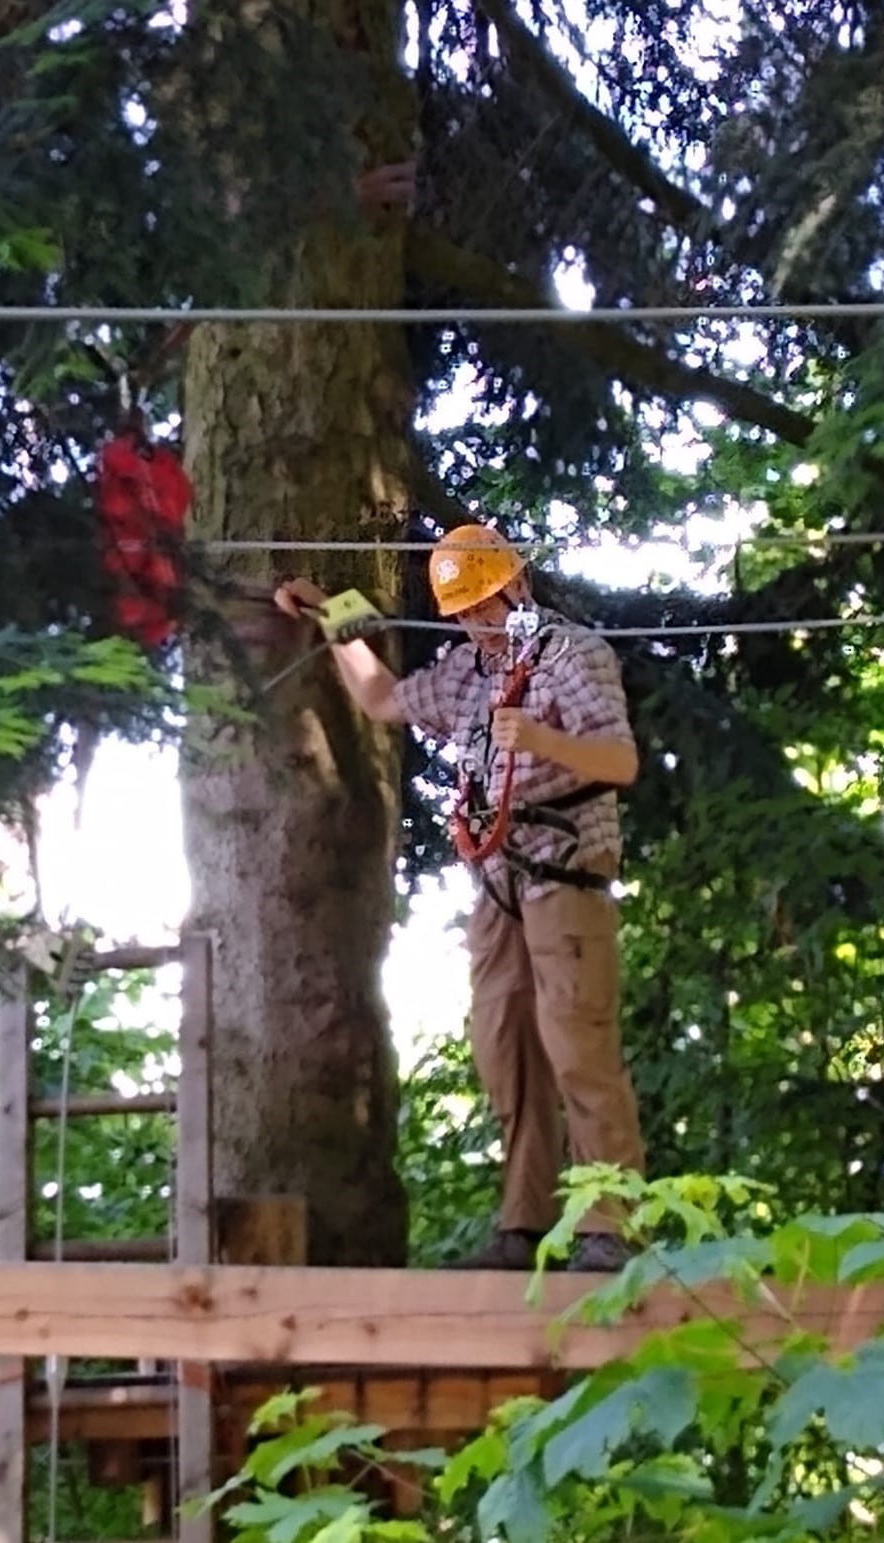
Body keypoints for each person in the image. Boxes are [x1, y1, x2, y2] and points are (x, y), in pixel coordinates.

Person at [274, 525, 645, 1271]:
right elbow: (381, 697)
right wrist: (331, 614)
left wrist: (541, 739)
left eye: (485, 603)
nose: (477, 621)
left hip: (564, 870)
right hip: (495, 881)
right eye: (464, 611)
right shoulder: (465, 673)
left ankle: (612, 1225)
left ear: (515, 588)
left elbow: (618, 760)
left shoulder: (572, 657)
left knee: (577, 1047)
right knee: (505, 1049)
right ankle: (524, 1224)